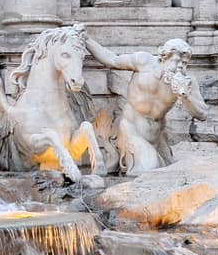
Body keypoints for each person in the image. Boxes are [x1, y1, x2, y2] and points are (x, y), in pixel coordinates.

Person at [84, 36, 207, 175]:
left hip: (157, 137)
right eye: (176, 61)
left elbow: (201, 114)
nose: (180, 67)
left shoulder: (188, 82)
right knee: (149, 170)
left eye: (185, 63)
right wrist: (86, 40)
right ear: (163, 58)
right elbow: (111, 60)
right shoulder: (144, 62)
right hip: (131, 129)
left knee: (168, 175)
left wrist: (185, 97)